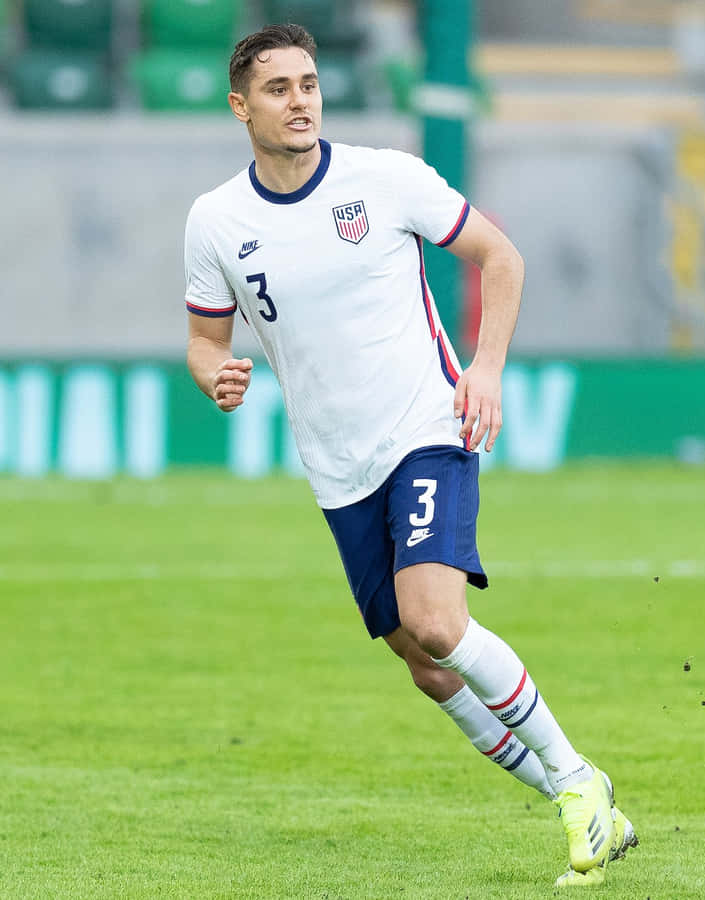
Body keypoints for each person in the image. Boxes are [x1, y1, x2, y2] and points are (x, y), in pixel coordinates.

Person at [184, 23, 636, 888]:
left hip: (426, 426)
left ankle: (577, 782)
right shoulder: (216, 221)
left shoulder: (383, 177)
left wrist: (488, 367)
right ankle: (586, 795)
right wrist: (218, 376)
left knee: (435, 619)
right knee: (422, 663)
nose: (300, 101)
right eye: (278, 89)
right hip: (336, 465)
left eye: (309, 84)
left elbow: (499, 255)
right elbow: (205, 342)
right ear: (241, 106)